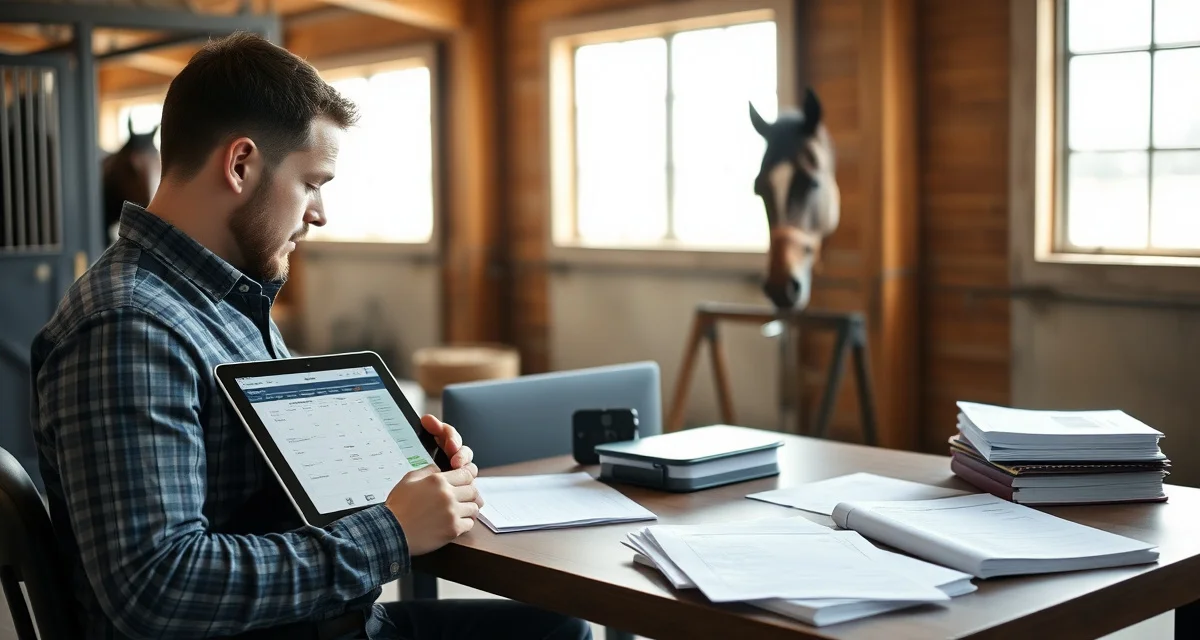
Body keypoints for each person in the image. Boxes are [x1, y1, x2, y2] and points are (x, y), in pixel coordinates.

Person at [30, 32, 591, 640]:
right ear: (240, 164)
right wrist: (392, 532)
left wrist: (402, 473)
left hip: (320, 623)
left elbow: (270, 481)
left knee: (560, 627)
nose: (320, 213)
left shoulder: (224, 294)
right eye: (313, 182)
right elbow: (157, 586)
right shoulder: (130, 326)